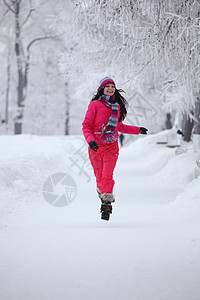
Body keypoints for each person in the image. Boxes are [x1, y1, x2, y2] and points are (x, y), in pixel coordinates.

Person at [82, 77, 148, 220]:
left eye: (113, 86)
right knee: (99, 177)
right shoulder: (94, 105)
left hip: (111, 146)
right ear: (102, 89)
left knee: (107, 175)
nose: (111, 88)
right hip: (95, 147)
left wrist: (138, 130)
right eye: (108, 86)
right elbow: (86, 126)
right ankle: (102, 192)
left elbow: (120, 127)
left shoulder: (116, 107)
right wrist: (91, 140)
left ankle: (106, 205)